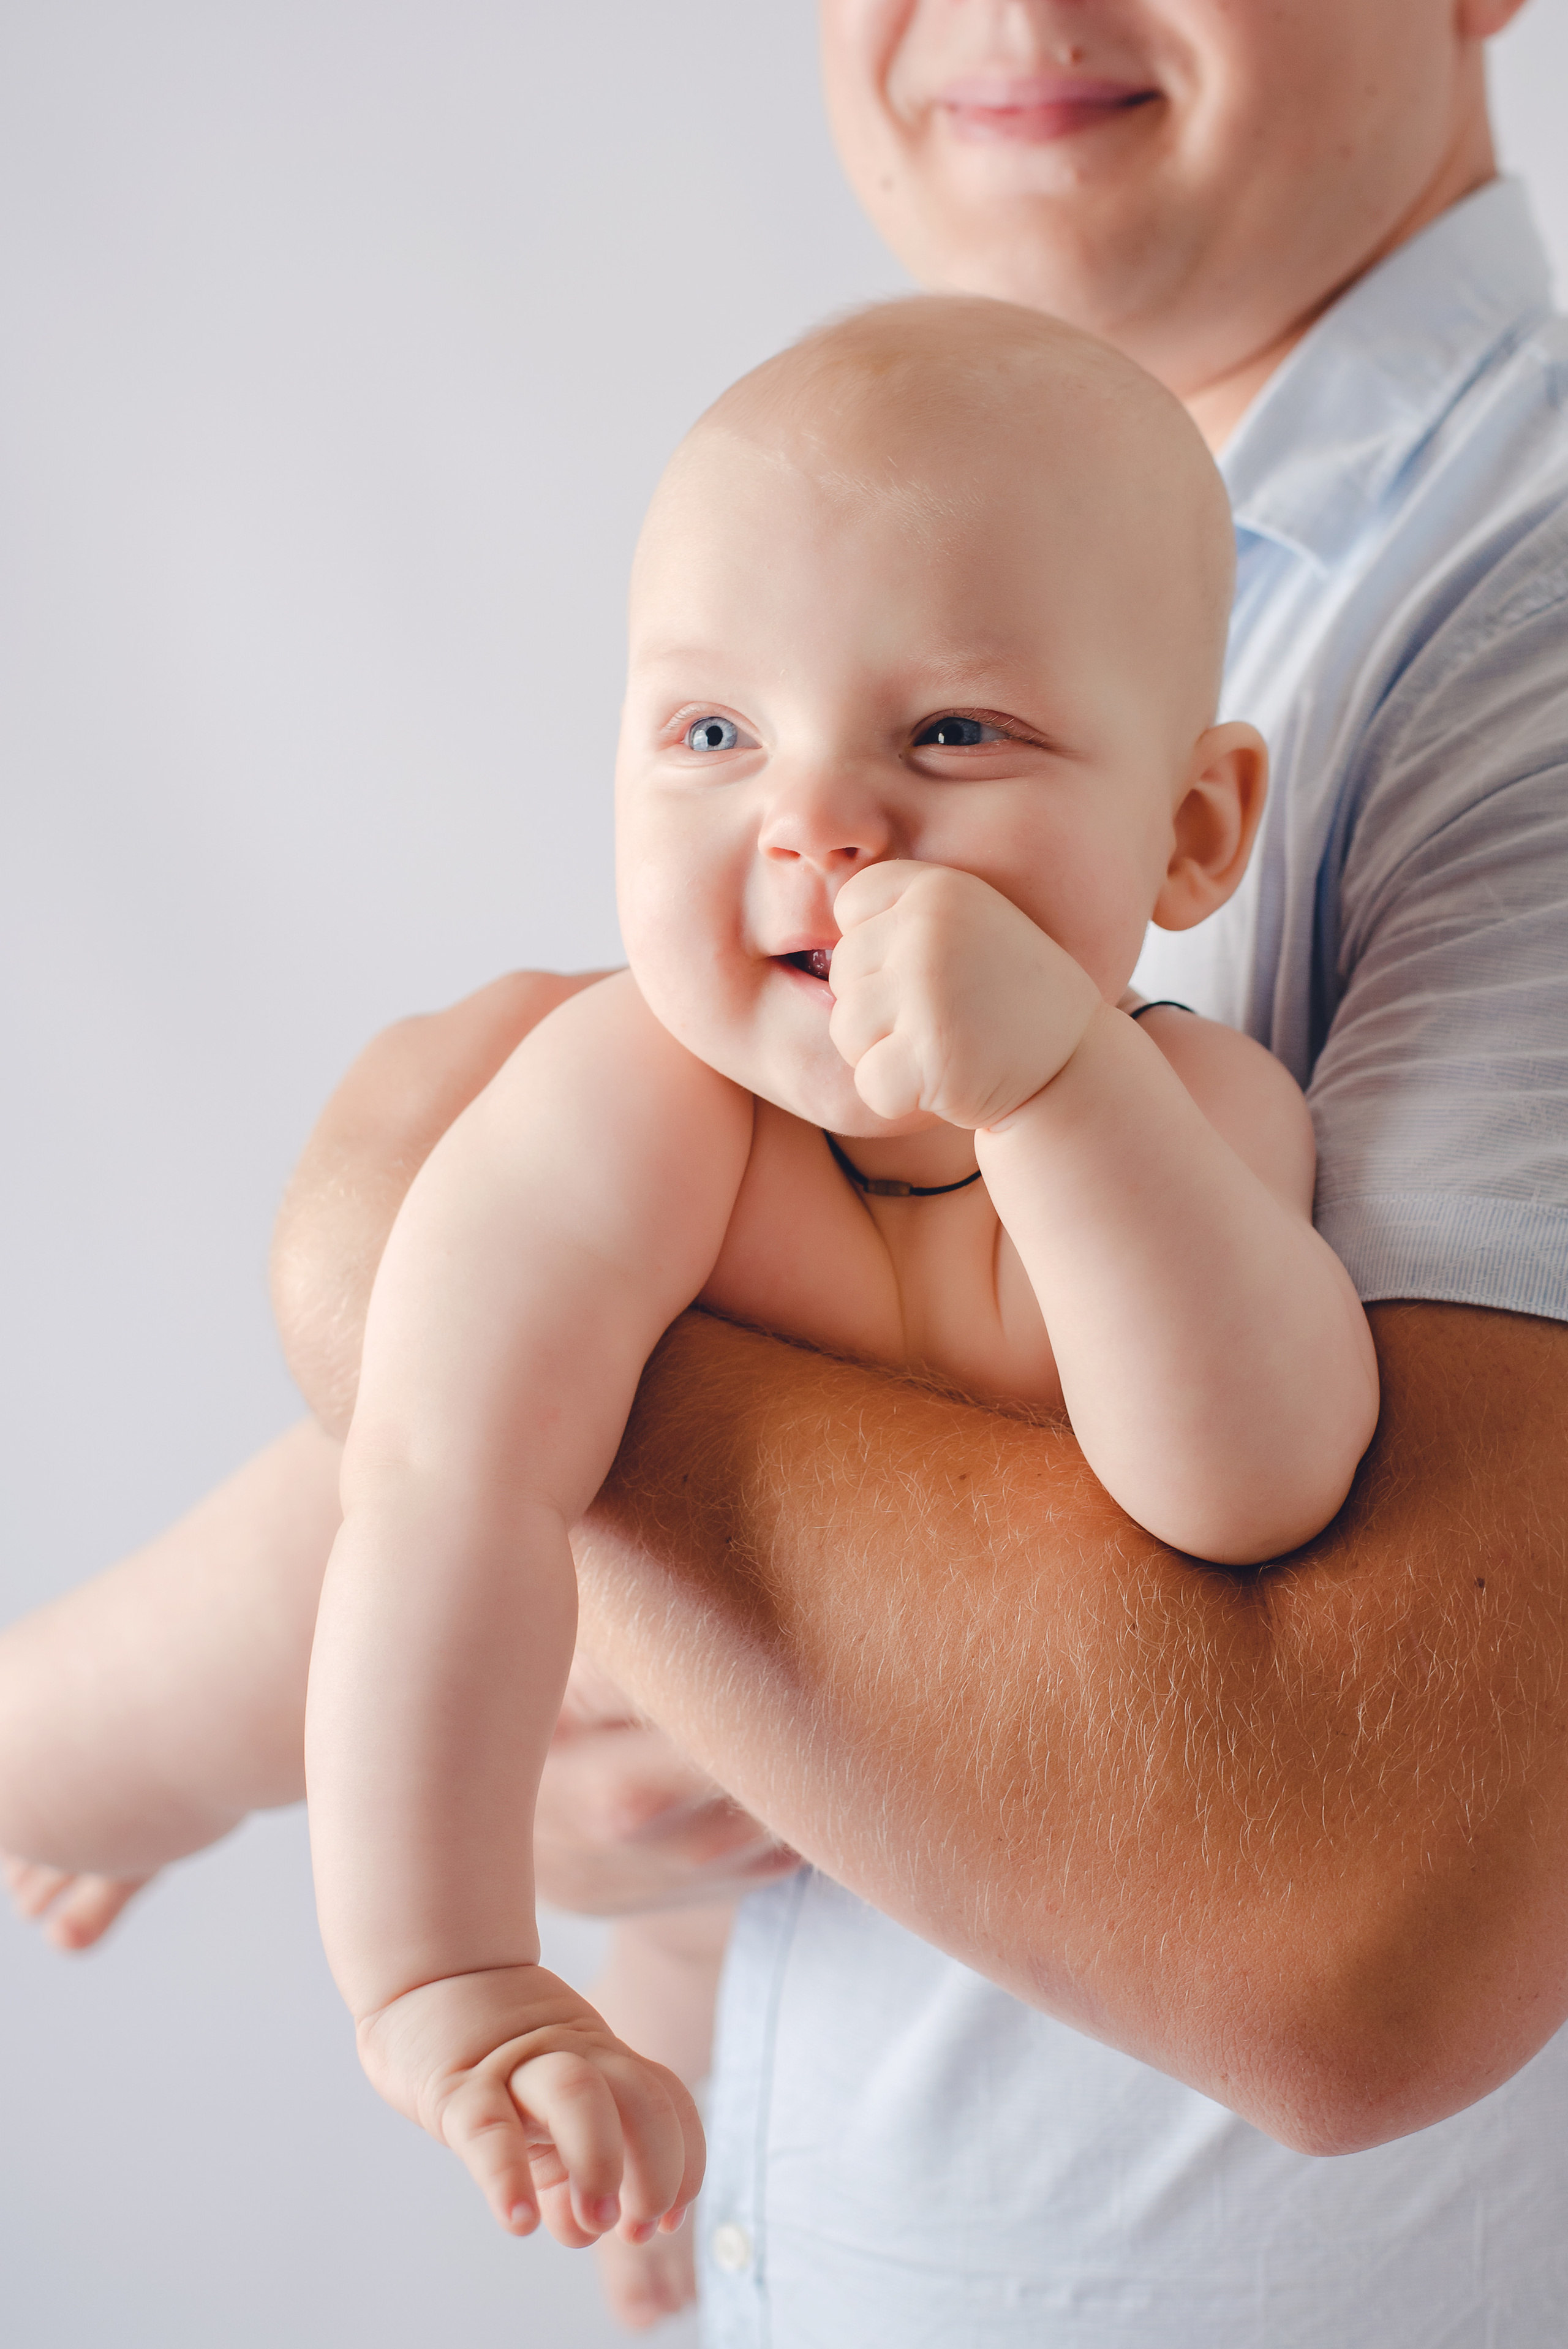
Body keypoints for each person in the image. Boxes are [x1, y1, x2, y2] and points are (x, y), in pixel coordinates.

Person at [4, 0, 1567, 2339]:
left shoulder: (1214, 1052)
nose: (817, 827)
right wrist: (460, 1974)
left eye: (952, 736)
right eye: (714, 734)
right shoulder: (643, 1092)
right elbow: (443, 1503)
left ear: (1190, 831)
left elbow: (1255, 1486)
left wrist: (1056, 1101)